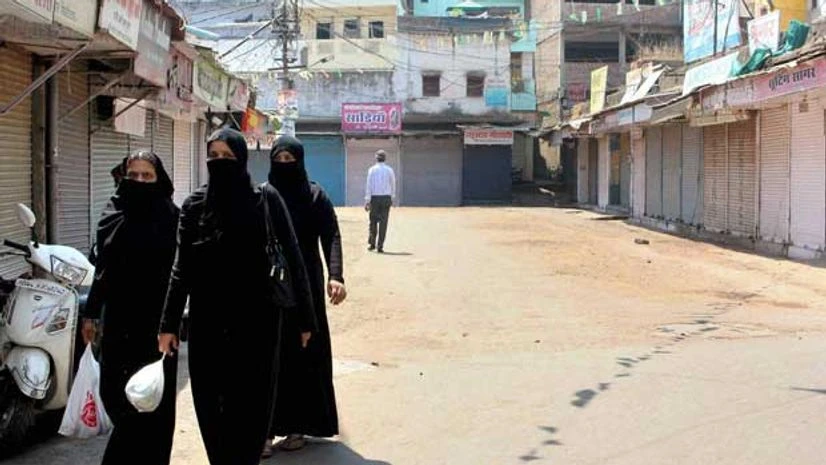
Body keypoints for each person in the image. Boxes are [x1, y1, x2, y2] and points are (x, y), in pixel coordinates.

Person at [157, 127, 316, 465]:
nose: (219, 162)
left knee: (252, 411)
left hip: (259, 323)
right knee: (211, 409)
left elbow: (294, 259)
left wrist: (305, 318)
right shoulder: (194, 205)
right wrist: (168, 324)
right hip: (208, 323)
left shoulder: (266, 199)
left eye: (227, 156)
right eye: (213, 156)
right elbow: (180, 267)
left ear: (242, 158)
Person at [82, 151, 180, 465]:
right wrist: (92, 312)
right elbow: (102, 269)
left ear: (158, 179)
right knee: (116, 396)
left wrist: (175, 323)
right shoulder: (113, 211)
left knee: (153, 402)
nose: (138, 181)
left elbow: (181, 276)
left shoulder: (172, 217)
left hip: (157, 326)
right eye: (133, 175)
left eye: (146, 176)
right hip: (118, 321)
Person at [265, 136, 347, 457]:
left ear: (300, 160)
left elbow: (331, 235)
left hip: (306, 286)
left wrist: (335, 275)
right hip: (270, 286)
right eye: (279, 158)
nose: (284, 164)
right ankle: (266, 430)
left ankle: (299, 426)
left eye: (290, 158)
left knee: (305, 355)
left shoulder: (315, 195)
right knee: (269, 357)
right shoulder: (263, 196)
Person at [365, 149, 396, 253]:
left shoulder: (372, 170)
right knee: (383, 223)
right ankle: (380, 246)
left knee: (373, 221)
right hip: (386, 198)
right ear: (385, 159)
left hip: (375, 198)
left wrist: (367, 200)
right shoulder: (390, 170)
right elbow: (393, 184)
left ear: (376, 158)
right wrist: (392, 197)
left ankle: (372, 244)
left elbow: (368, 186)